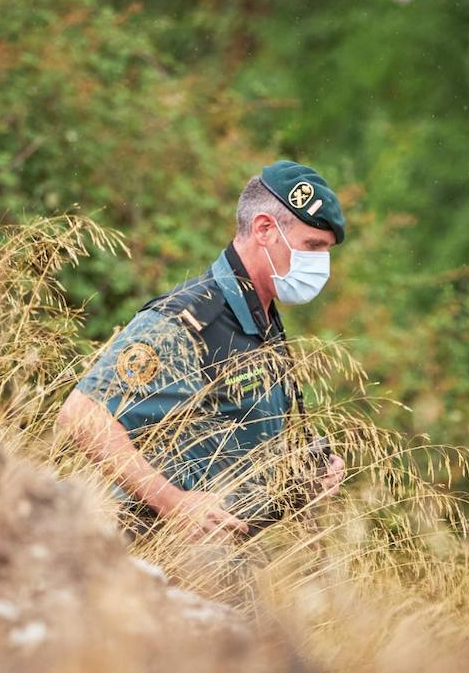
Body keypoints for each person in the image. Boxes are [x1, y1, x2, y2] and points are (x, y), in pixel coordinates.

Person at [57, 160, 346, 578]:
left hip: (219, 563)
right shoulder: (192, 320)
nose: (322, 263)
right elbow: (81, 415)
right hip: (150, 561)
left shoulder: (261, 321)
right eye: (313, 246)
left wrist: (302, 473)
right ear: (264, 229)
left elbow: (227, 437)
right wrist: (175, 504)